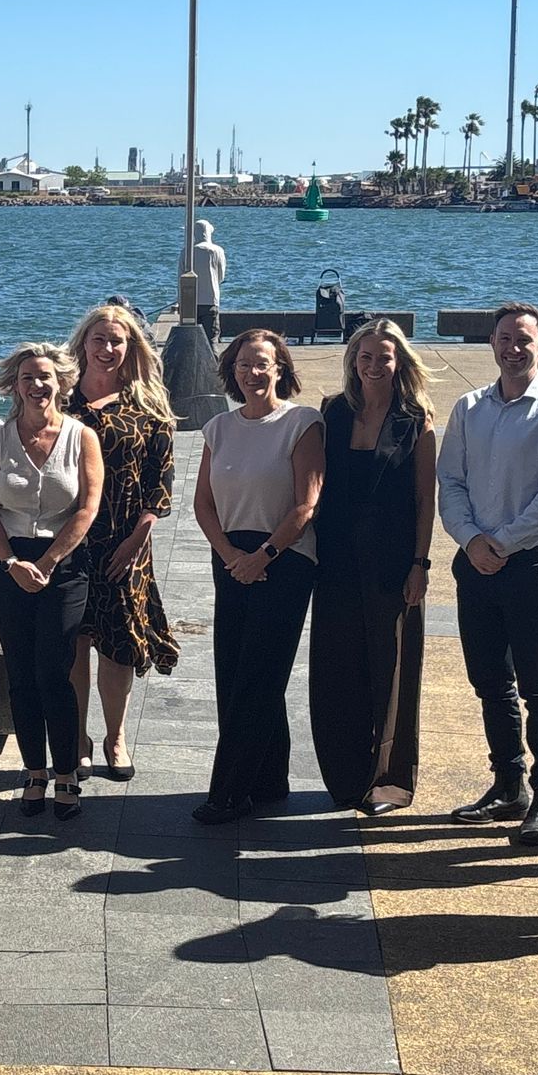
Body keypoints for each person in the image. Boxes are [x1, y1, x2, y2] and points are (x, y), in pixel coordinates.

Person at [436, 303, 538, 845]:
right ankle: (507, 785)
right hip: (475, 564)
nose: (513, 348)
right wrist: (472, 540)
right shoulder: (469, 408)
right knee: (490, 683)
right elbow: (449, 481)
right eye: (504, 338)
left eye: (524, 339)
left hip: (530, 564)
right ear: (491, 344)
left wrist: (501, 541)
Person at [192, 329, 324, 824]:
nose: (252, 373)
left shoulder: (301, 422)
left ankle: (229, 792)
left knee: (258, 675)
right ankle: (270, 780)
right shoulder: (220, 428)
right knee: (233, 672)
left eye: (262, 364)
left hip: (284, 560)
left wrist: (263, 555)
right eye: (244, 364)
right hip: (230, 558)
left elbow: (306, 504)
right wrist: (230, 554)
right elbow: (204, 503)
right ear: (232, 371)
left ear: (281, 369)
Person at [309, 318, 436, 814]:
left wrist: (420, 564)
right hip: (336, 557)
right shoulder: (332, 412)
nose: (373, 365)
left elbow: (426, 500)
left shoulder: (415, 419)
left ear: (399, 362)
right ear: (353, 361)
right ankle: (344, 775)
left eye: (384, 357)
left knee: (393, 668)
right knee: (337, 665)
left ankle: (388, 780)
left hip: (392, 558)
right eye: (365, 356)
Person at [0, 342, 103, 820]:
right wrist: (11, 562)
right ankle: (34, 770)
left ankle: (66, 772)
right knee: (21, 674)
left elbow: (87, 507)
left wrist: (48, 563)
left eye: (45, 377)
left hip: (63, 565)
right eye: (28, 377)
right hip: (9, 564)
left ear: (62, 382)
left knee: (55, 670)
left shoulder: (81, 437)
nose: (37, 385)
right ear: (14, 385)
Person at [66, 302, 178, 783]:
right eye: (99, 339)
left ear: (130, 347)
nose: (107, 349)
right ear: (83, 344)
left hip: (124, 542)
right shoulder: (60, 399)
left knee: (119, 646)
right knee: (75, 642)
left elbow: (160, 483)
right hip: (69, 541)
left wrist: (138, 538)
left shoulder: (148, 407)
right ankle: (76, 737)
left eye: (117, 341)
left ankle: (115, 736)